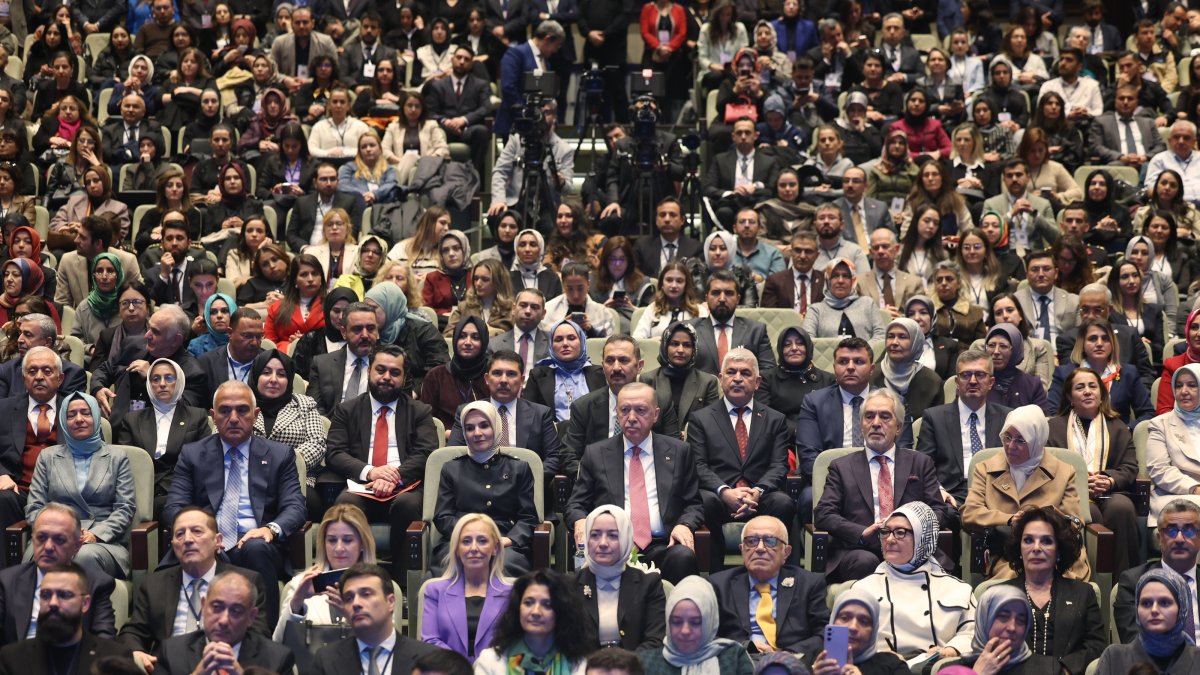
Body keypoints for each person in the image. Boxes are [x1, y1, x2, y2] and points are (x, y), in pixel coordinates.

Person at [163, 381, 308, 626]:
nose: (233, 418)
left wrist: (269, 529)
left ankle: (266, 636)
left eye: (242, 410)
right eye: (224, 410)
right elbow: (174, 506)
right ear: (212, 416)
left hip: (258, 544)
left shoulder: (279, 455)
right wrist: (201, 534)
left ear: (256, 415)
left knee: (255, 547)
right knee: (194, 548)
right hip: (208, 542)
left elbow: (296, 506)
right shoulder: (192, 453)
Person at [566, 383, 702, 584]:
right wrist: (579, 520)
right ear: (616, 413)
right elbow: (576, 504)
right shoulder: (596, 453)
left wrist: (685, 524)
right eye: (625, 410)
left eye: (640, 410)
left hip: (662, 545)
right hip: (612, 545)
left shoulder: (679, 451)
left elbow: (694, 503)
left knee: (683, 557)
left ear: (655, 415)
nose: (631, 418)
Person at [814, 388, 953, 582]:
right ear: (861, 425)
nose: (876, 423)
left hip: (911, 546)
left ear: (898, 427)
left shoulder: (920, 463)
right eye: (869, 417)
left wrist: (911, 530)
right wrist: (861, 533)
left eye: (885, 417)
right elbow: (823, 514)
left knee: (932, 564)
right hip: (860, 549)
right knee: (865, 561)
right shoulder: (841, 466)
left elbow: (938, 509)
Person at [324, 344, 438, 579]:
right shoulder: (347, 410)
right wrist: (372, 473)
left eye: (395, 372)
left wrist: (394, 476)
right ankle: (350, 578)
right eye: (381, 370)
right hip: (362, 484)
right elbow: (335, 452)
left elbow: (426, 452)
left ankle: (401, 584)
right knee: (345, 503)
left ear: (405, 377)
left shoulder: (420, 411)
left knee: (407, 506)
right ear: (369, 372)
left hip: (405, 485)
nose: (387, 377)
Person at [117, 507, 269, 671]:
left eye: (197, 531)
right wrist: (137, 651)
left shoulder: (246, 582)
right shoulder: (155, 583)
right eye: (180, 534)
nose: (187, 539)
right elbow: (133, 631)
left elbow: (258, 638)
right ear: (173, 545)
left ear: (217, 541)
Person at [689, 347, 792, 568]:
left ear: (757, 382)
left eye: (745, 373)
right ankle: (715, 577)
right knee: (705, 501)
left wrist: (757, 492)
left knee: (783, 502)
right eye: (731, 372)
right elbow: (698, 465)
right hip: (719, 498)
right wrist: (725, 492)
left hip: (759, 498)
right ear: (720, 378)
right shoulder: (701, 419)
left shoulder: (775, 419)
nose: (737, 378)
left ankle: (777, 572)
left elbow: (779, 465)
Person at [961, 404, 1089, 580]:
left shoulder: (1064, 471)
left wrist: (1039, 519)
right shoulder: (986, 468)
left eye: (1021, 440)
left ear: (1037, 441)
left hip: (1055, 554)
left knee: (1061, 583)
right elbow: (970, 514)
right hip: (1009, 556)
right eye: (1007, 437)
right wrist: (1009, 520)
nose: (1010, 446)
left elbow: (1074, 523)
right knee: (1013, 583)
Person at [26, 392, 135, 579]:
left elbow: (125, 508)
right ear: (63, 421)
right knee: (49, 554)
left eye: (85, 413)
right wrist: (59, 533)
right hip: (54, 536)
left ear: (96, 416)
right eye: (71, 415)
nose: (79, 419)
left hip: (102, 541)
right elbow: (35, 507)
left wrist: (95, 534)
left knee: (82, 556)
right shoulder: (48, 457)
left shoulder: (117, 457)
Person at [434, 401, 538, 575]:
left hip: (504, 542)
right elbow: (443, 516)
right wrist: (468, 538)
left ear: (496, 427)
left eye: (484, 425)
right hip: (461, 540)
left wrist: (509, 540)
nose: (477, 433)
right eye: (469, 428)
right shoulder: (451, 469)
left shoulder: (519, 468)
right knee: (446, 566)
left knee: (507, 566)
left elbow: (528, 518)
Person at [998, 507, 1107, 674]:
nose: (1036, 548)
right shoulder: (999, 595)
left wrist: (1064, 669)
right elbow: (989, 647)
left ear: (1058, 551)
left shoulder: (1083, 593)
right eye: (1028, 540)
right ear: (1019, 549)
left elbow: (1097, 646)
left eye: (1046, 541)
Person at [709, 514, 827, 655]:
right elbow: (704, 635)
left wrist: (786, 655)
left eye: (770, 541)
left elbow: (824, 633)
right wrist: (744, 648)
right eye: (751, 541)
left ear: (786, 552)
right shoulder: (718, 585)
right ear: (742, 550)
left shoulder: (809, 584)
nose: (759, 548)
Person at [0, 504, 117, 643]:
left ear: (77, 546)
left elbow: (105, 644)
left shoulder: (96, 584)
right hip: (18, 662)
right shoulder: (7, 582)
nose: (48, 547)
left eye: (59, 539)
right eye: (41, 537)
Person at [112, 359, 210, 515]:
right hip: (144, 490)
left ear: (179, 382)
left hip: (182, 490)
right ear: (149, 385)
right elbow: (127, 464)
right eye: (155, 379)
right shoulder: (132, 419)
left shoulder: (196, 416)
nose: (162, 384)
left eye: (169, 378)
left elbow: (204, 461)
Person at [153, 570, 295, 675]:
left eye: (236, 611)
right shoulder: (171, 652)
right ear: (203, 606)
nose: (224, 620)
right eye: (217, 607)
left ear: (251, 616)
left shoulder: (277, 659)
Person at [310, 563, 440, 675]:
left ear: (390, 602)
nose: (356, 603)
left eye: (366, 594)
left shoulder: (428, 658)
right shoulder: (326, 660)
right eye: (349, 598)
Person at [0, 562, 129, 675]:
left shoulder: (115, 660)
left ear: (85, 603)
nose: (53, 603)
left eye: (64, 595)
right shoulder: (11, 659)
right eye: (46, 595)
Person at [91, 304, 208, 426]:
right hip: (120, 429)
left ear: (176, 340)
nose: (147, 335)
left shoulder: (193, 372)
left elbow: (183, 413)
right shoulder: (133, 345)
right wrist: (98, 388)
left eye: (156, 332)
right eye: (150, 328)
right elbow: (105, 369)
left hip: (159, 435)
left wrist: (152, 378)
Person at [422, 512, 515, 664]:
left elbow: (514, 643)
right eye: (466, 541)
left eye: (482, 541)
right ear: (457, 549)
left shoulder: (512, 593)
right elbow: (430, 641)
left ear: (495, 548)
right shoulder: (435, 591)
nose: (474, 548)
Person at [274, 504, 375, 640]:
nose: (339, 548)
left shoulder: (378, 586)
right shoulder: (303, 582)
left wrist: (350, 613)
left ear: (362, 544)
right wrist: (297, 601)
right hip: (311, 660)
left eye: (347, 540)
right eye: (332, 540)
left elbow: (387, 647)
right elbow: (279, 642)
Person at [249, 349, 328, 510]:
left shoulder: (304, 404)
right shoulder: (240, 403)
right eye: (266, 372)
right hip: (247, 478)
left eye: (281, 374)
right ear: (256, 375)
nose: (273, 380)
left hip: (296, 478)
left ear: (290, 379)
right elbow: (220, 436)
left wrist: (283, 466)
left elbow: (317, 443)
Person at [473, 568, 590, 675]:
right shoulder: (491, 661)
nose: (535, 612)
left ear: (561, 611)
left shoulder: (579, 665)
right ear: (518, 608)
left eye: (547, 605)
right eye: (528, 603)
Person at [1114, 499, 1200, 643]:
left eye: (1189, 530)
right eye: (1171, 530)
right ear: (1159, 538)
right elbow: (1135, 642)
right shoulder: (1133, 582)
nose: (1179, 539)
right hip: (1158, 664)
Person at [636, 575, 754, 675]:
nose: (685, 631)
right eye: (677, 622)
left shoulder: (733, 658)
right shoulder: (646, 663)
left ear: (709, 622)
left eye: (695, 622)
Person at [1048, 319, 1153, 427]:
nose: (1099, 343)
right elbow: (1052, 413)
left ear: (1112, 343)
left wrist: (1125, 430)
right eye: (1092, 339)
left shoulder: (1128, 373)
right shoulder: (1064, 374)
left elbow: (1147, 413)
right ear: (1082, 343)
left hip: (1118, 440)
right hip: (1075, 439)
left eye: (1105, 338)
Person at [1096, 568, 1200, 674]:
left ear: (1181, 609)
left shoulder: (1197, 660)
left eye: (1164, 602)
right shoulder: (1114, 658)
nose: (1154, 610)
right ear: (1137, 609)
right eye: (1146, 603)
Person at [690, 270, 775, 375]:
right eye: (716, 293)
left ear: (738, 299)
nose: (722, 299)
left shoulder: (756, 331)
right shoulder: (690, 329)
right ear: (706, 297)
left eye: (729, 293)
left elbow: (769, 373)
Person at [872, 317, 945, 435]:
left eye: (902, 337)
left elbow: (936, 430)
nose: (894, 342)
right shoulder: (871, 375)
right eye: (890, 336)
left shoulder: (932, 382)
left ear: (916, 342)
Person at [1148, 363, 1200, 515]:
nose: (1184, 391)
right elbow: (1159, 470)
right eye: (1178, 386)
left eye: (1192, 385)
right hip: (1175, 495)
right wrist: (1195, 488)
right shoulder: (1160, 424)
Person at [954, 585, 1042, 674]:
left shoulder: (1048, 669)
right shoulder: (952, 670)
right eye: (1003, 617)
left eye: (1021, 620)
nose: (1012, 628)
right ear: (984, 619)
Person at [802, 257, 887, 341]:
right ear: (828, 280)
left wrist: (864, 351)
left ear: (853, 281)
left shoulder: (867, 304)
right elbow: (807, 341)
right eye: (835, 276)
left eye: (846, 276)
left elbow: (881, 335)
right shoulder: (816, 310)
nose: (840, 281)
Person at [984, 324, 1052, 415]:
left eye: (1003, 346)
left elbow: (1043, 421)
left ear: (1015, 350)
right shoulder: (978, 380)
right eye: (991, 345)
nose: (996, 351)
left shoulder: (1032, 385)